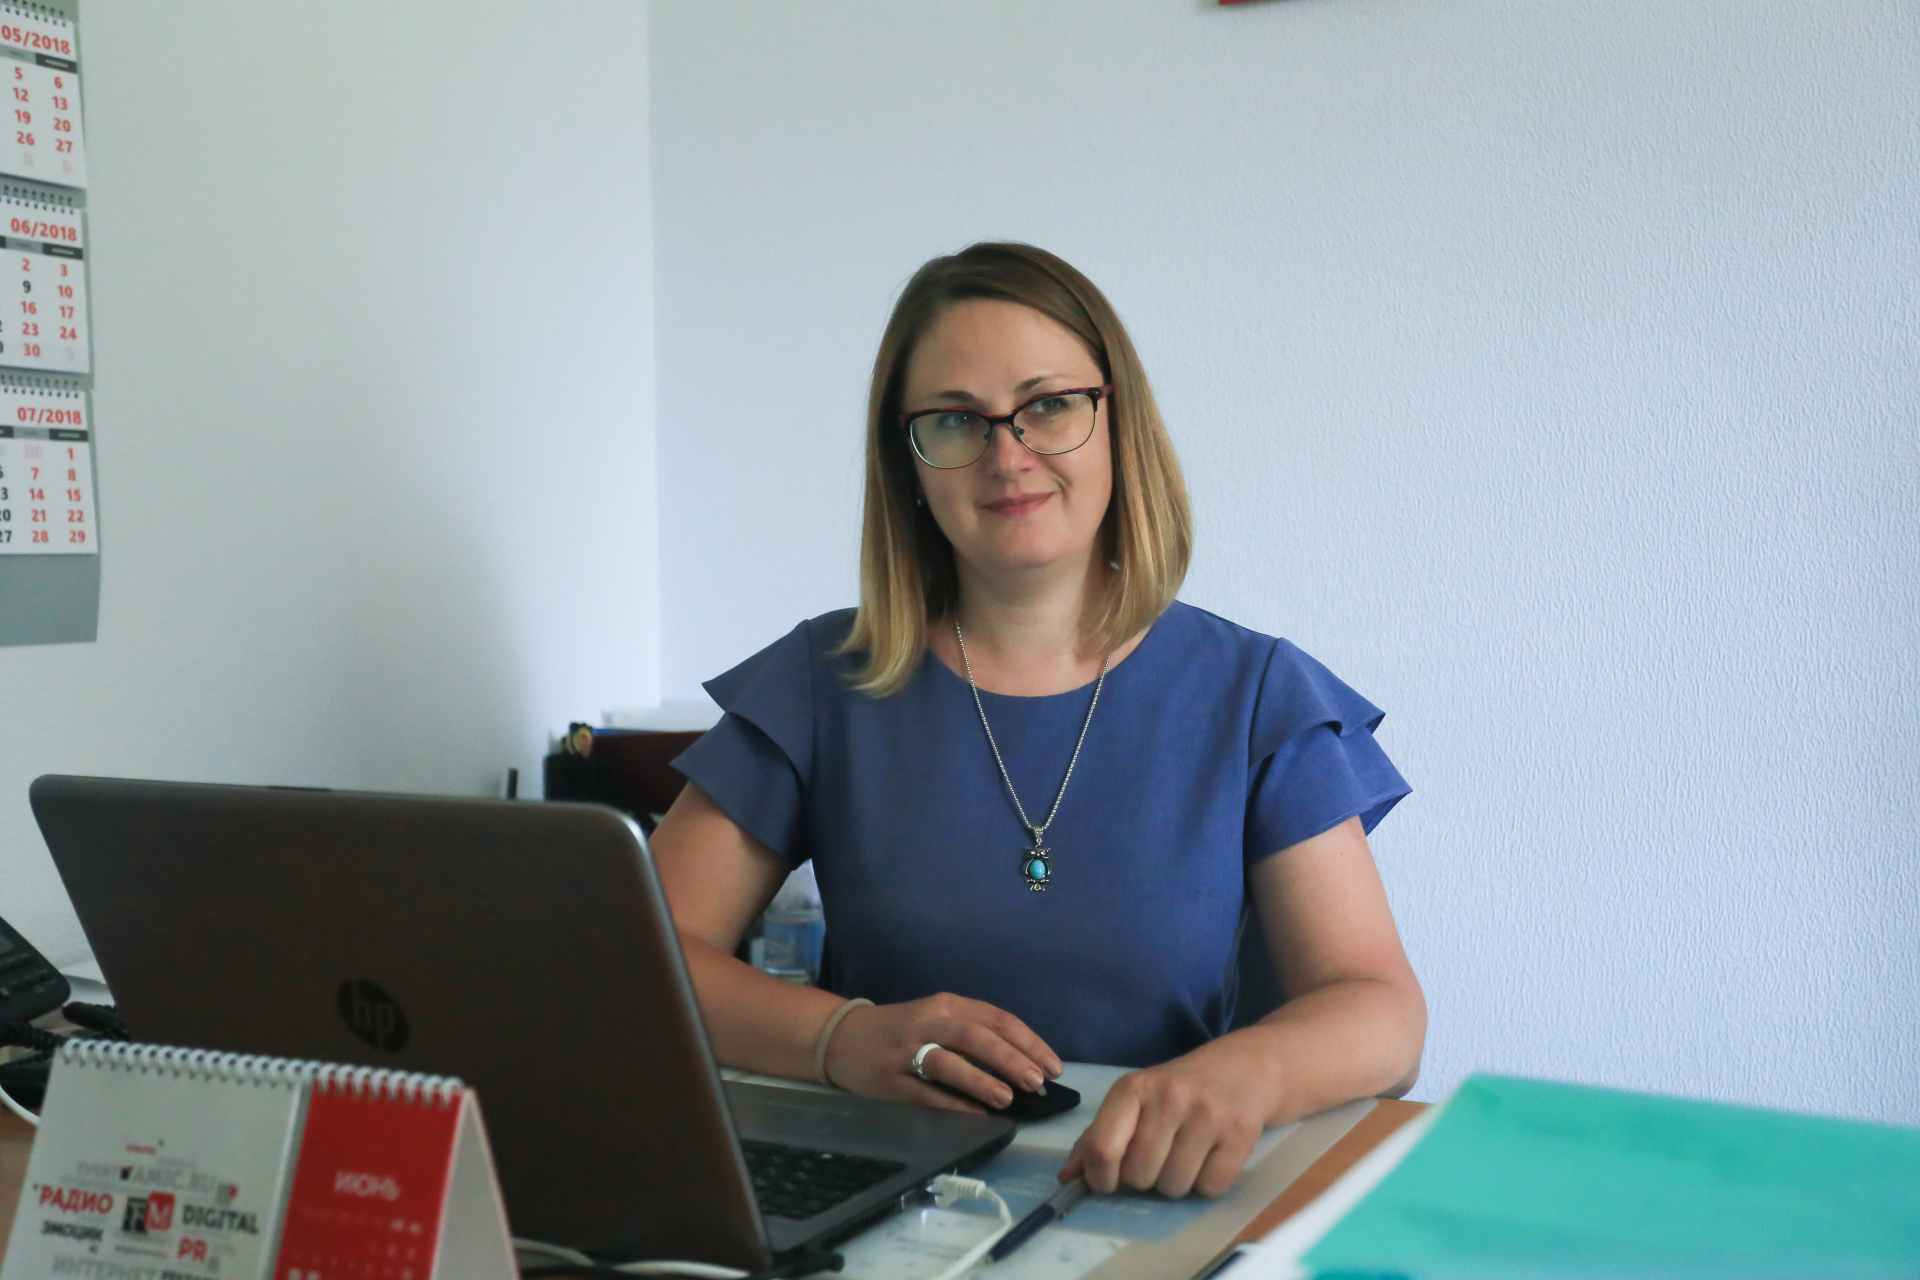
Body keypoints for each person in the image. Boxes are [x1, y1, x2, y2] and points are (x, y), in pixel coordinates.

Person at [654, 242, 1425, 1200]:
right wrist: (837, 1037)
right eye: (954, 420)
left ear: (1116, 425)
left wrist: (1249, 1073)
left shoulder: (1257, 692)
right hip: (887, 1201)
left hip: (1159, 1193)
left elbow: (1382, 1012)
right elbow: (634, 959)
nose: (1007, 456)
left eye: (1049, 405)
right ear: (909, 462)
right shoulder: (820, 682)